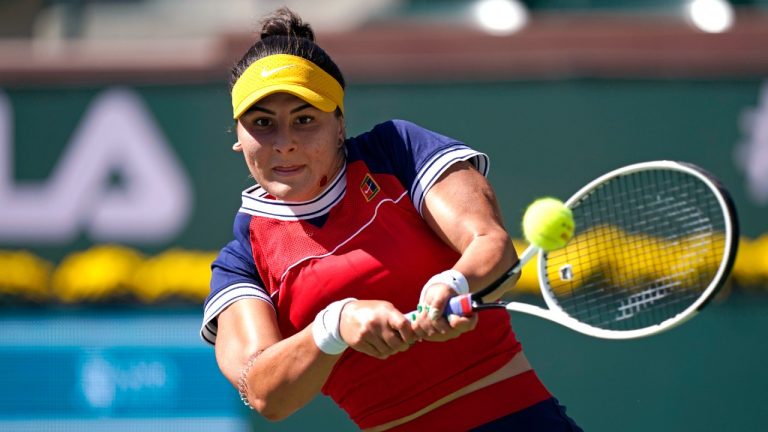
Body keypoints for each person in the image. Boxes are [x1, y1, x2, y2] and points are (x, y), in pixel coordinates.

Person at [201, 7, 582, 431]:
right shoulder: (242, 259)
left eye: (305, 119)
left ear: (339, 124)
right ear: (239, 137)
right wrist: (335, 324)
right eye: (262, 123)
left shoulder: (395, 151)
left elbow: (490, 244)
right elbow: (264, 393)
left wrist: (452, 282)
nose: (284, 143)